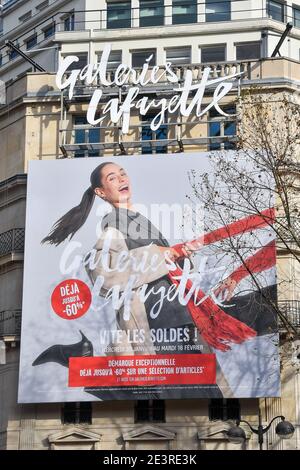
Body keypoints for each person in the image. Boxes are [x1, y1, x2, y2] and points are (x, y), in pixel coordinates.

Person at [42, 161, 226, 399]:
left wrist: (181, 259)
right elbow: (104, 274)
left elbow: (163, 268)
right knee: (179, 398)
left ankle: (85, 361)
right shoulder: (112, 229)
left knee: (201, 395)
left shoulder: (140, 222)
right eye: (111, 178)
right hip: (158, 324)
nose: (120, 179)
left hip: (180, 321)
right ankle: (87, 364)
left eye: (122, 173)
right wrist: (163, 254)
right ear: (100, 192)